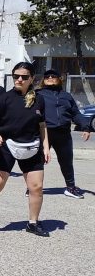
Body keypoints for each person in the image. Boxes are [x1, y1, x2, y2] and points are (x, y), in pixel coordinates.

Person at [0, 62, 52, 237]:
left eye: (24, 77)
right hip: (5, 146)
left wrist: (46, 148)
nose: (19, 79)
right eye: (16, 76)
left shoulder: (39, 99)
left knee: (36, 187)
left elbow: (42, 125)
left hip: (31, 146)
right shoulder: (4, 98)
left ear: (32, 79)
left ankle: (32, 223)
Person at [37, 69, 92, 199]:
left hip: (63, 134)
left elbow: (76, 113)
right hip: (44, 133)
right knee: (38, 161)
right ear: (43, 80)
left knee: (67, 161)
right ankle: (33, 187)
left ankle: (71, 187)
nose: (50, 77)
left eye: (53, 76)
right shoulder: (38, 94)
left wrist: (85, 127)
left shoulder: (66, 96)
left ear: (59, 79)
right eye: (47, 76)